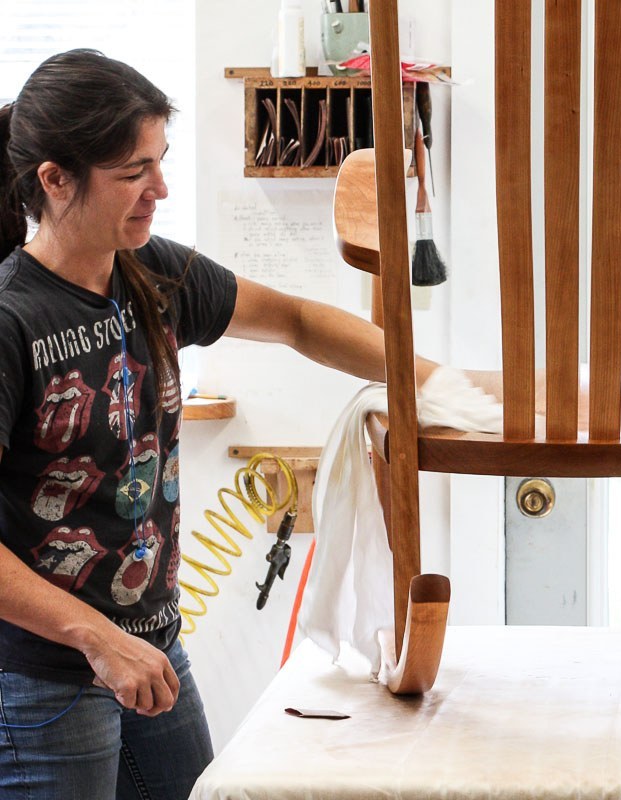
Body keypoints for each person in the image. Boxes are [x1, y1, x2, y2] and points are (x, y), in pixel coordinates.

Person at [0, 49, 423, 800]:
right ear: (55, 179)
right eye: (134, 172)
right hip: (44, 680)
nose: (160, 189)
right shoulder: (11, 321)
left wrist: (435, 383)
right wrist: (96, 639)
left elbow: (294, 320)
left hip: (150, 646)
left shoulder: (147, 272)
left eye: (159, 163)